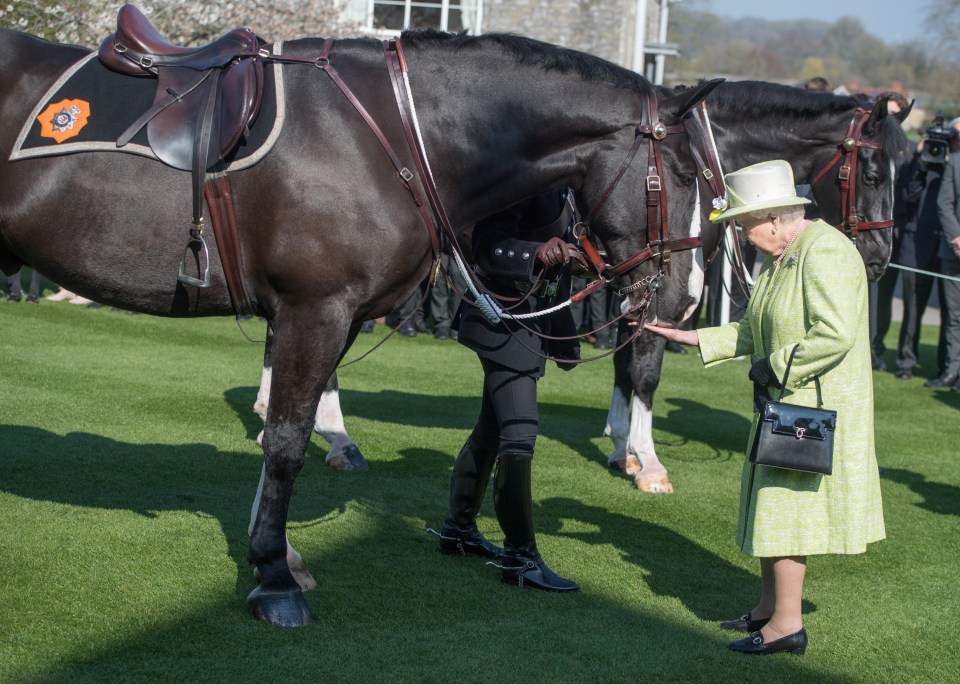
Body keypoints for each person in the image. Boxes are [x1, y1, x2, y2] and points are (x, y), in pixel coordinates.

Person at [646, 161, 885, 656]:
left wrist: (772, 369)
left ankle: (787, 627)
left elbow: (835, 334)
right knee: (771, 506)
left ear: (775, 218)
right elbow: (754, 331)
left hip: (814, 410)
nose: (741, 234)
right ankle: (768, 609)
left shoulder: (826, 252)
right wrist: (691, 336)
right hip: (792, 404)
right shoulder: (786, 256)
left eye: (743, 224)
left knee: (786, 511)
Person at [434, 189, 584, 592]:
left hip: (526, 326)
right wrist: (537, 251)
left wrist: (565, 339)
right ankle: (520, 557)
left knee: (490, 429)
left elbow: (557, 278)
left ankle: (458, 530)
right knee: (519, 435)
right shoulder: (525, 179)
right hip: (503, 322)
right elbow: (487, 246)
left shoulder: (561, 188)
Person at [935, 117, 960, 392]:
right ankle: (952, 370)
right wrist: (956, 237)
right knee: (954, 317)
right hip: (954, 253)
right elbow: (945, 203)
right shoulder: (954, 163)